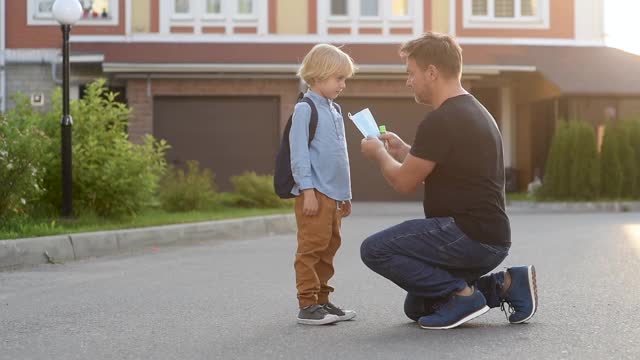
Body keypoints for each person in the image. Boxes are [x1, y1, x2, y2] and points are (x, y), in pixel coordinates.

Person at [359, 32, 538, 330]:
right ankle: (507, 284)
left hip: (467, 236)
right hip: (489, 239)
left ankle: (462, 295)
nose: (409, 81)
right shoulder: (474, 111)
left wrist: (378, 153)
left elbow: (404, 182)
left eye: (411, 73)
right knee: (418, 305)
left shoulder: (441, 119)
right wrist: (405, 151)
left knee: (374, 249)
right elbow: (453, 173)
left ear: (431, 72)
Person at [290, 44, 357, 325]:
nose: (343, 85)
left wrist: (346, 194)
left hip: (333, 195)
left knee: (329, 247)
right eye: (338, 78)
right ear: (318, 76)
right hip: (314, 193)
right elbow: (299, 154)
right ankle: (307, 304)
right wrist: (307, 191)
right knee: (311, 248)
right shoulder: (305, 109)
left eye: (345, 79)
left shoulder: (336, 109)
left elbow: (340, 156)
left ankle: (322, 301)